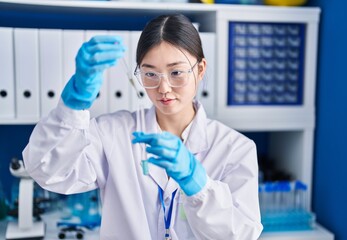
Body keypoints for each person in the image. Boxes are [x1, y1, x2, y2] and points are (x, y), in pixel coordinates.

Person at [23, 14, 263, 239]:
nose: (164, 88)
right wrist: (74, 103)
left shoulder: (235, 148)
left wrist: (198, 184)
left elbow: (242, 234)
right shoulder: (113, 133)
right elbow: (47, 171)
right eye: (150, 74)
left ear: (200, 70)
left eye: (176, 72)